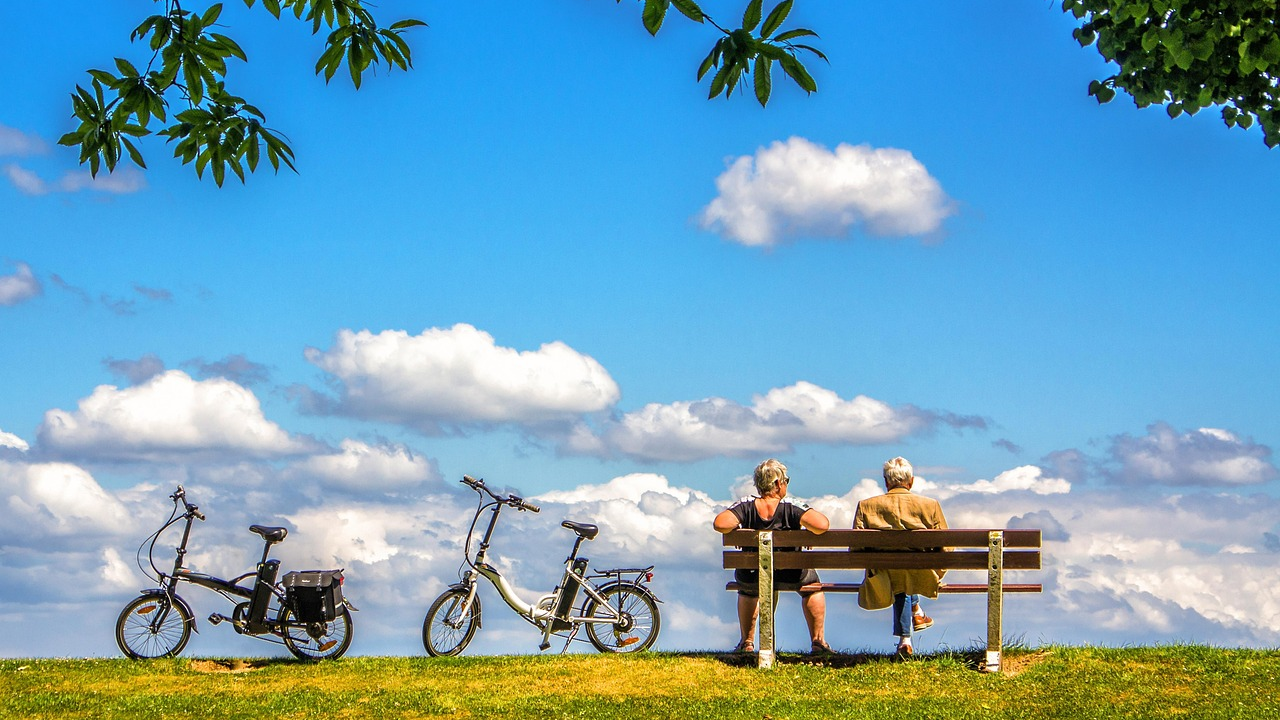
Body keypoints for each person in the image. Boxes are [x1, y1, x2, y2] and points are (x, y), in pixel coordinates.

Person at [713, 458, 832, 655]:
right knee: (813, 589)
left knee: (748, 589)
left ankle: (747, 642)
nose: (786, 484)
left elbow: (720, 523)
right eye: (786, 480)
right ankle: (818, 641)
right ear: (778, 483)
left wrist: (740, 530)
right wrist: (804, 532)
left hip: (753, 574)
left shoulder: (746, 505)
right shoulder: (791, 506)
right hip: (791, 573)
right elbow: (822, 525)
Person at [853, 456, 948, 659]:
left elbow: (856, 547)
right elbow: (947, 548)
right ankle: (914, 618)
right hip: (921, 573)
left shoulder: (866, 506)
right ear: (911, 481)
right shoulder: (930, 505)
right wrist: (936, 571)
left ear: (886, 482)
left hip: (882, 576)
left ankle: (907, 635)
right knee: (906, 572)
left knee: (897, 572)